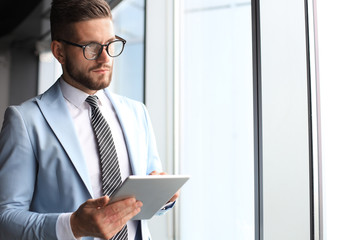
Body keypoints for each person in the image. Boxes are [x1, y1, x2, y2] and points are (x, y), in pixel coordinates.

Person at [0, 0, 178, 239]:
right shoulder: (26, 121)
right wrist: (72, 225)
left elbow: (141, 201)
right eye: (91, 47)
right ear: (59, 52)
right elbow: (6, 217)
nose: (105, 58)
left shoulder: (137, 113)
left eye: (110, 44)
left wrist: (162, 197)